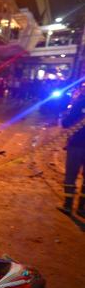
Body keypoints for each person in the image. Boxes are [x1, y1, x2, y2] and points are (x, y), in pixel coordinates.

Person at [58, 90, 85, 218]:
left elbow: (66, 123)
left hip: (77, 144)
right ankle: (82, 208)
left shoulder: (79, 103)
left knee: (71, 174)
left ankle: (68, 205)